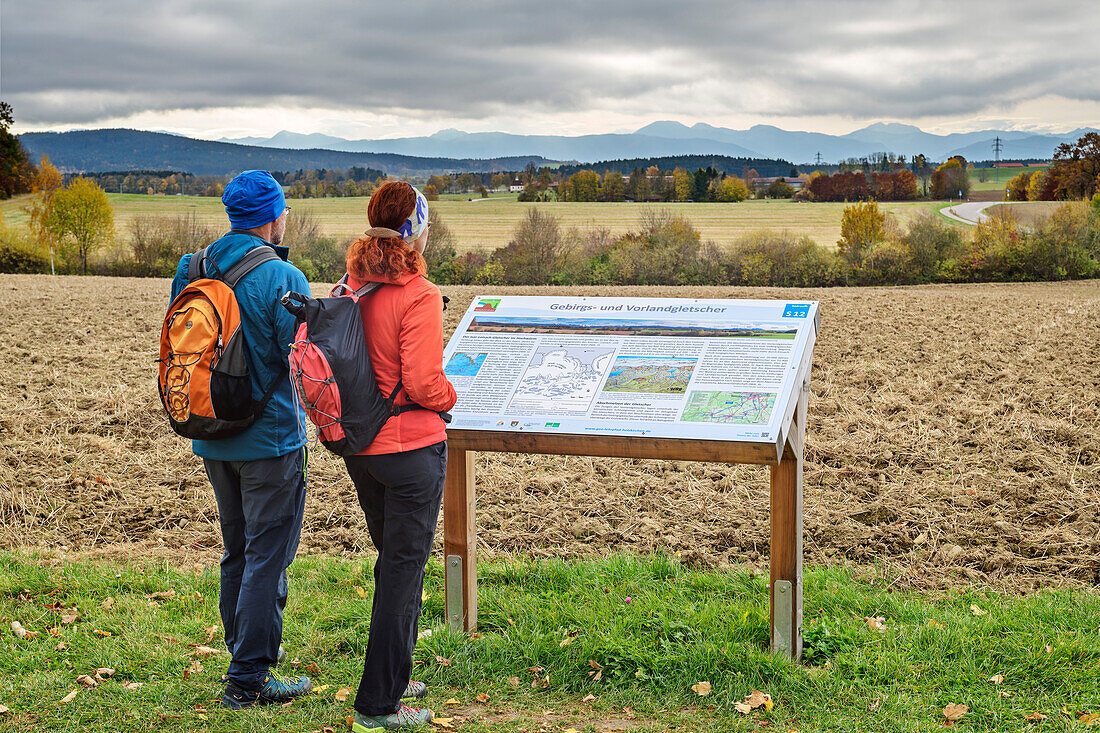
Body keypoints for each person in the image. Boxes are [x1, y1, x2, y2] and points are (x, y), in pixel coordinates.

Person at [170, 170, 313, 709]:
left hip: (211, 435)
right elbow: (298, 360)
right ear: (274, 216)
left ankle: (240, 655)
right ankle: (248, 679)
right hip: (272, 440)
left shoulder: (195, 267)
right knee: (267, 557)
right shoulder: (284, 278)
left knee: (237, 552)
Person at [341, 181, 457, 730]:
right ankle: (379, 705)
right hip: (412, 450)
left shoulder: (349, 287)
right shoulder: (420, 294)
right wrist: (453, 397)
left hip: (360, 447)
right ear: (416, 230)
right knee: (402, 574)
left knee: (394, 565)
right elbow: (425, 382)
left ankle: (398, 676)